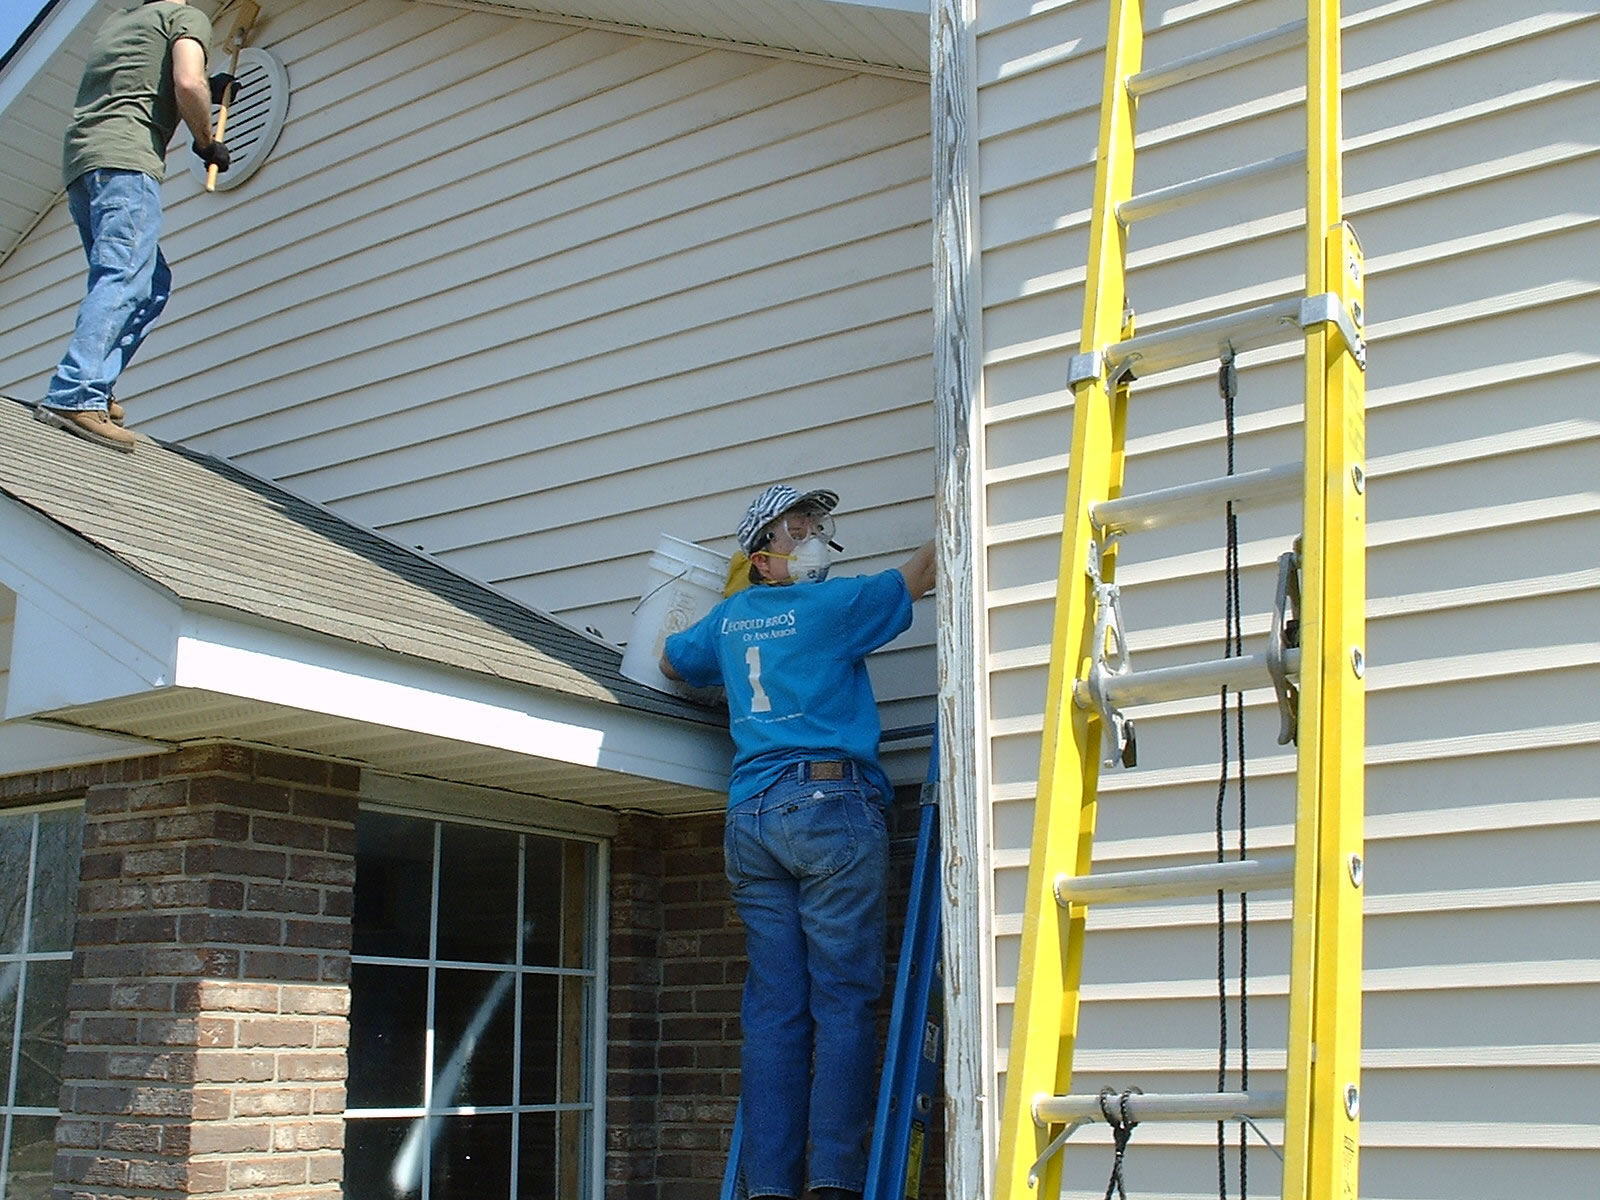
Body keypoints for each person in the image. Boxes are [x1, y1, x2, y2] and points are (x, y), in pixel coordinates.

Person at [661, 483, 936, 1200]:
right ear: (763, 557)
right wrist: (965, 496)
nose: (813, 535)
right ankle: (834, 1182)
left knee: (775, 1011)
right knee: (840, 1001)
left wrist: (734, 609)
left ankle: (770, 1187)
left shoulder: (729, 620)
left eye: (816, 524)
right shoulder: (830, 606)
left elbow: (671, 661)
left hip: (751, 816)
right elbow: (923, 573)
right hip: (828, 807)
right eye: (796, 528)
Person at [34, 0, 233, 453]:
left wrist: (209, 88)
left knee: (151, 282)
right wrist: (206, 141)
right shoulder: (185, 18)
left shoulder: (120, 23)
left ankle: (96, 383)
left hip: (85, 162)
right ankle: (76, 393)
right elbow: (187, 81)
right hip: (127, 161)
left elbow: (145, 83)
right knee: (124, 275)